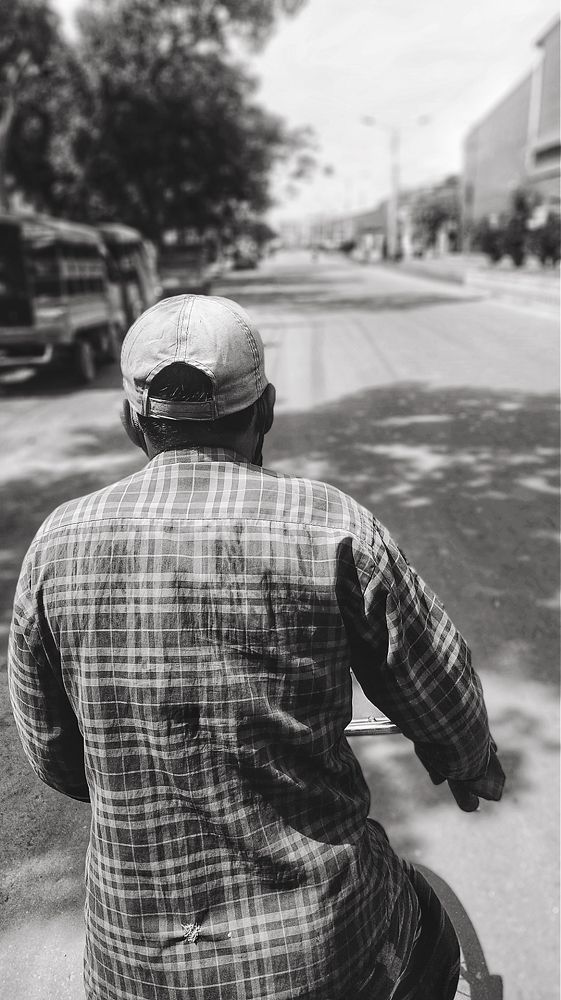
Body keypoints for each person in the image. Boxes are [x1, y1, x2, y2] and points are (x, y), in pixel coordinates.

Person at [8, 293, 505, 1000]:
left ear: (130, 420)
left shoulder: (56, 544)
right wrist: (466, 761)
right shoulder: (331, 526)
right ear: (264, 410)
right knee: (432, 933)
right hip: (324, 955)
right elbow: (438, 685)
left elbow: (57, 760)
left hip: (133, 968)